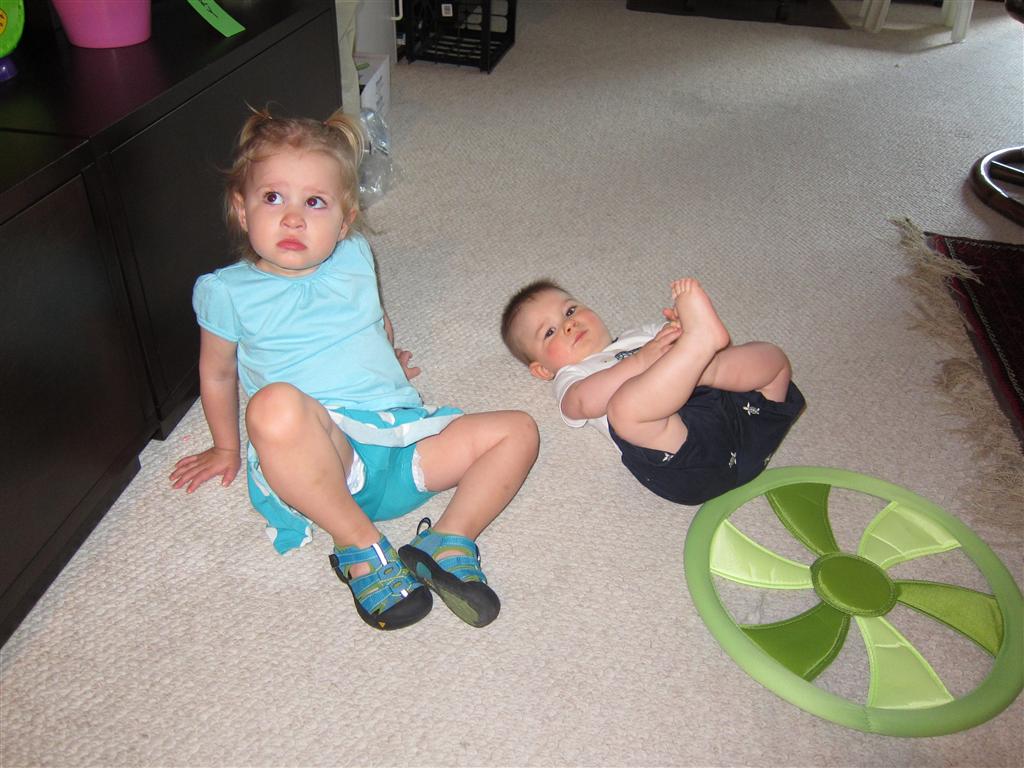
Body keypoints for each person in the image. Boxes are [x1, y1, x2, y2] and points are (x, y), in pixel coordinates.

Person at [170, 107, 539, 631]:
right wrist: (226, 447)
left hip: (403, 443)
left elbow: (373, 318)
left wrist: (386, 360)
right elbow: (218, 374)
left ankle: (447, 540)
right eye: (273, 197)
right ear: (241, 208)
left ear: (344, 221)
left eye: (314, 202)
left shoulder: (355, 254)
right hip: (325, 461)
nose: (292, 218)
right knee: (273, 405)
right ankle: (359, 544)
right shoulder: (226, 291)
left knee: (519, 430)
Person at [501, 278, 803, 506]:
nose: (568, 324)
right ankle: (701, 351)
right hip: (687, 456)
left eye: (570, 310)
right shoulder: (572, 375)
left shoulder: (642, 334)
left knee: (772, 358)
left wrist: (684, 328)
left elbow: (693, 347)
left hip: (745, 423)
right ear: (543, 370)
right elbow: (582, 403)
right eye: (549, 332)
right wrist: (640, 362)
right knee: (623, 409)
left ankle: (704, 356)